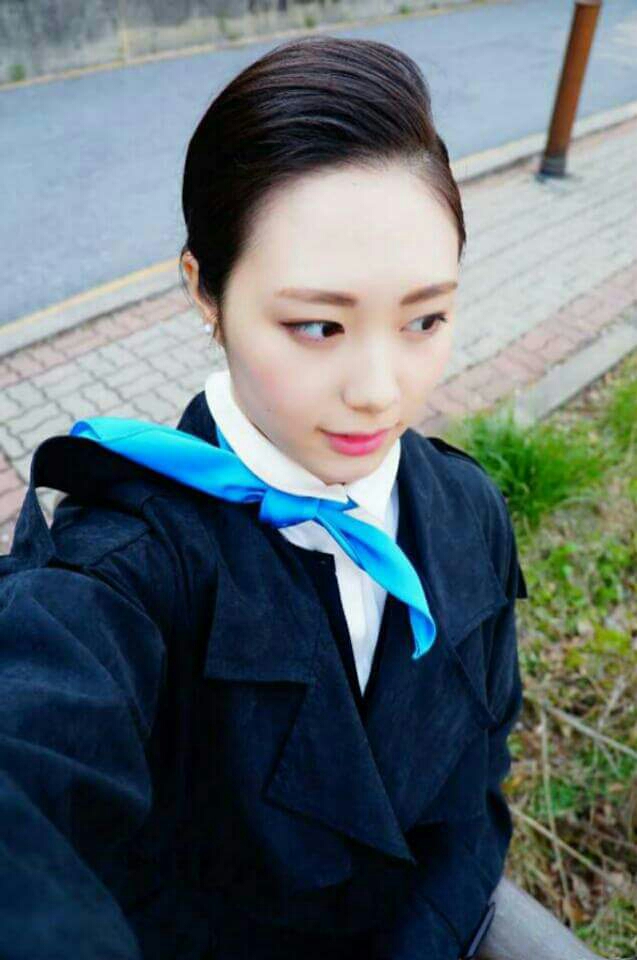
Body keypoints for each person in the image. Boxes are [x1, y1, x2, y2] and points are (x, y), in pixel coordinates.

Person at [0, 36, 528, 960]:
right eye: (317, 325)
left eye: (424, 318)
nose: (379, 391)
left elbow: (476, 784)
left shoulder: (466, 506)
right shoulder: (121, 570)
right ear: (204, 290)